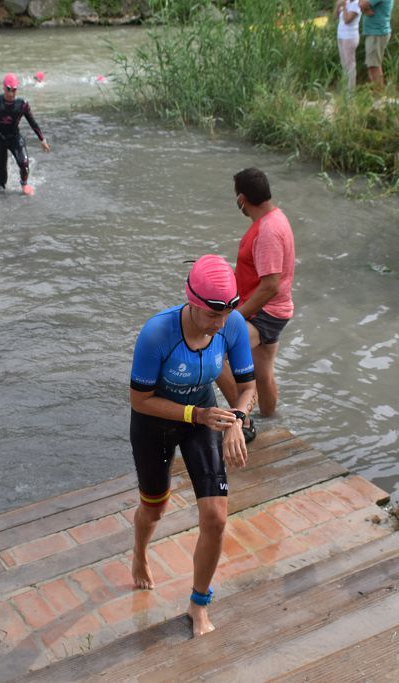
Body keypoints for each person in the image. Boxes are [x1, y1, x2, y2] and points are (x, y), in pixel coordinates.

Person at [129, 255, 257, 637]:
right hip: (155, 423)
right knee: (154, 509)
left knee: (216, 518)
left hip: (203, 418)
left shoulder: (231, 323)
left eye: (226, 314)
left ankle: (198, 603)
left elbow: (248, 388)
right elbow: (140, 400)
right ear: (192, 302)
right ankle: (139, 552)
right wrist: (195, 415)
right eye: (210, 316)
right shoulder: (157, 333)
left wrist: (236, 418)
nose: (219, 325)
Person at [216, 168, 295, 438]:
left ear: (241, 199)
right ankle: (272, 424)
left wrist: (233, 317)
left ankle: (243, 420)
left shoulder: (268, 231)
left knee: (214, 354)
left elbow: (270, 285)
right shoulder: (276, 217)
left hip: (264, 313)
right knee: (263, 373)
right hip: (274, 310)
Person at [359, 0, 394, 89]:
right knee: (373, 65)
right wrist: (365, 9)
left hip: (377, 33)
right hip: (375, 32)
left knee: (374, 66)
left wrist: (364, 7)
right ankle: (377, 94)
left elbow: (361, 4)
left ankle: (379, 96)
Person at [335, 0, 361, 92]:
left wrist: (345, 7)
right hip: (341, 36)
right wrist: (338, 6)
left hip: (350, 37)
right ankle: (345, 89)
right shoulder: (346, 2)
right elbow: (335, 17)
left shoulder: (356, 4)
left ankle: (351, 91)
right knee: (344, 64)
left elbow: (347, 20)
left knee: (350, 64)